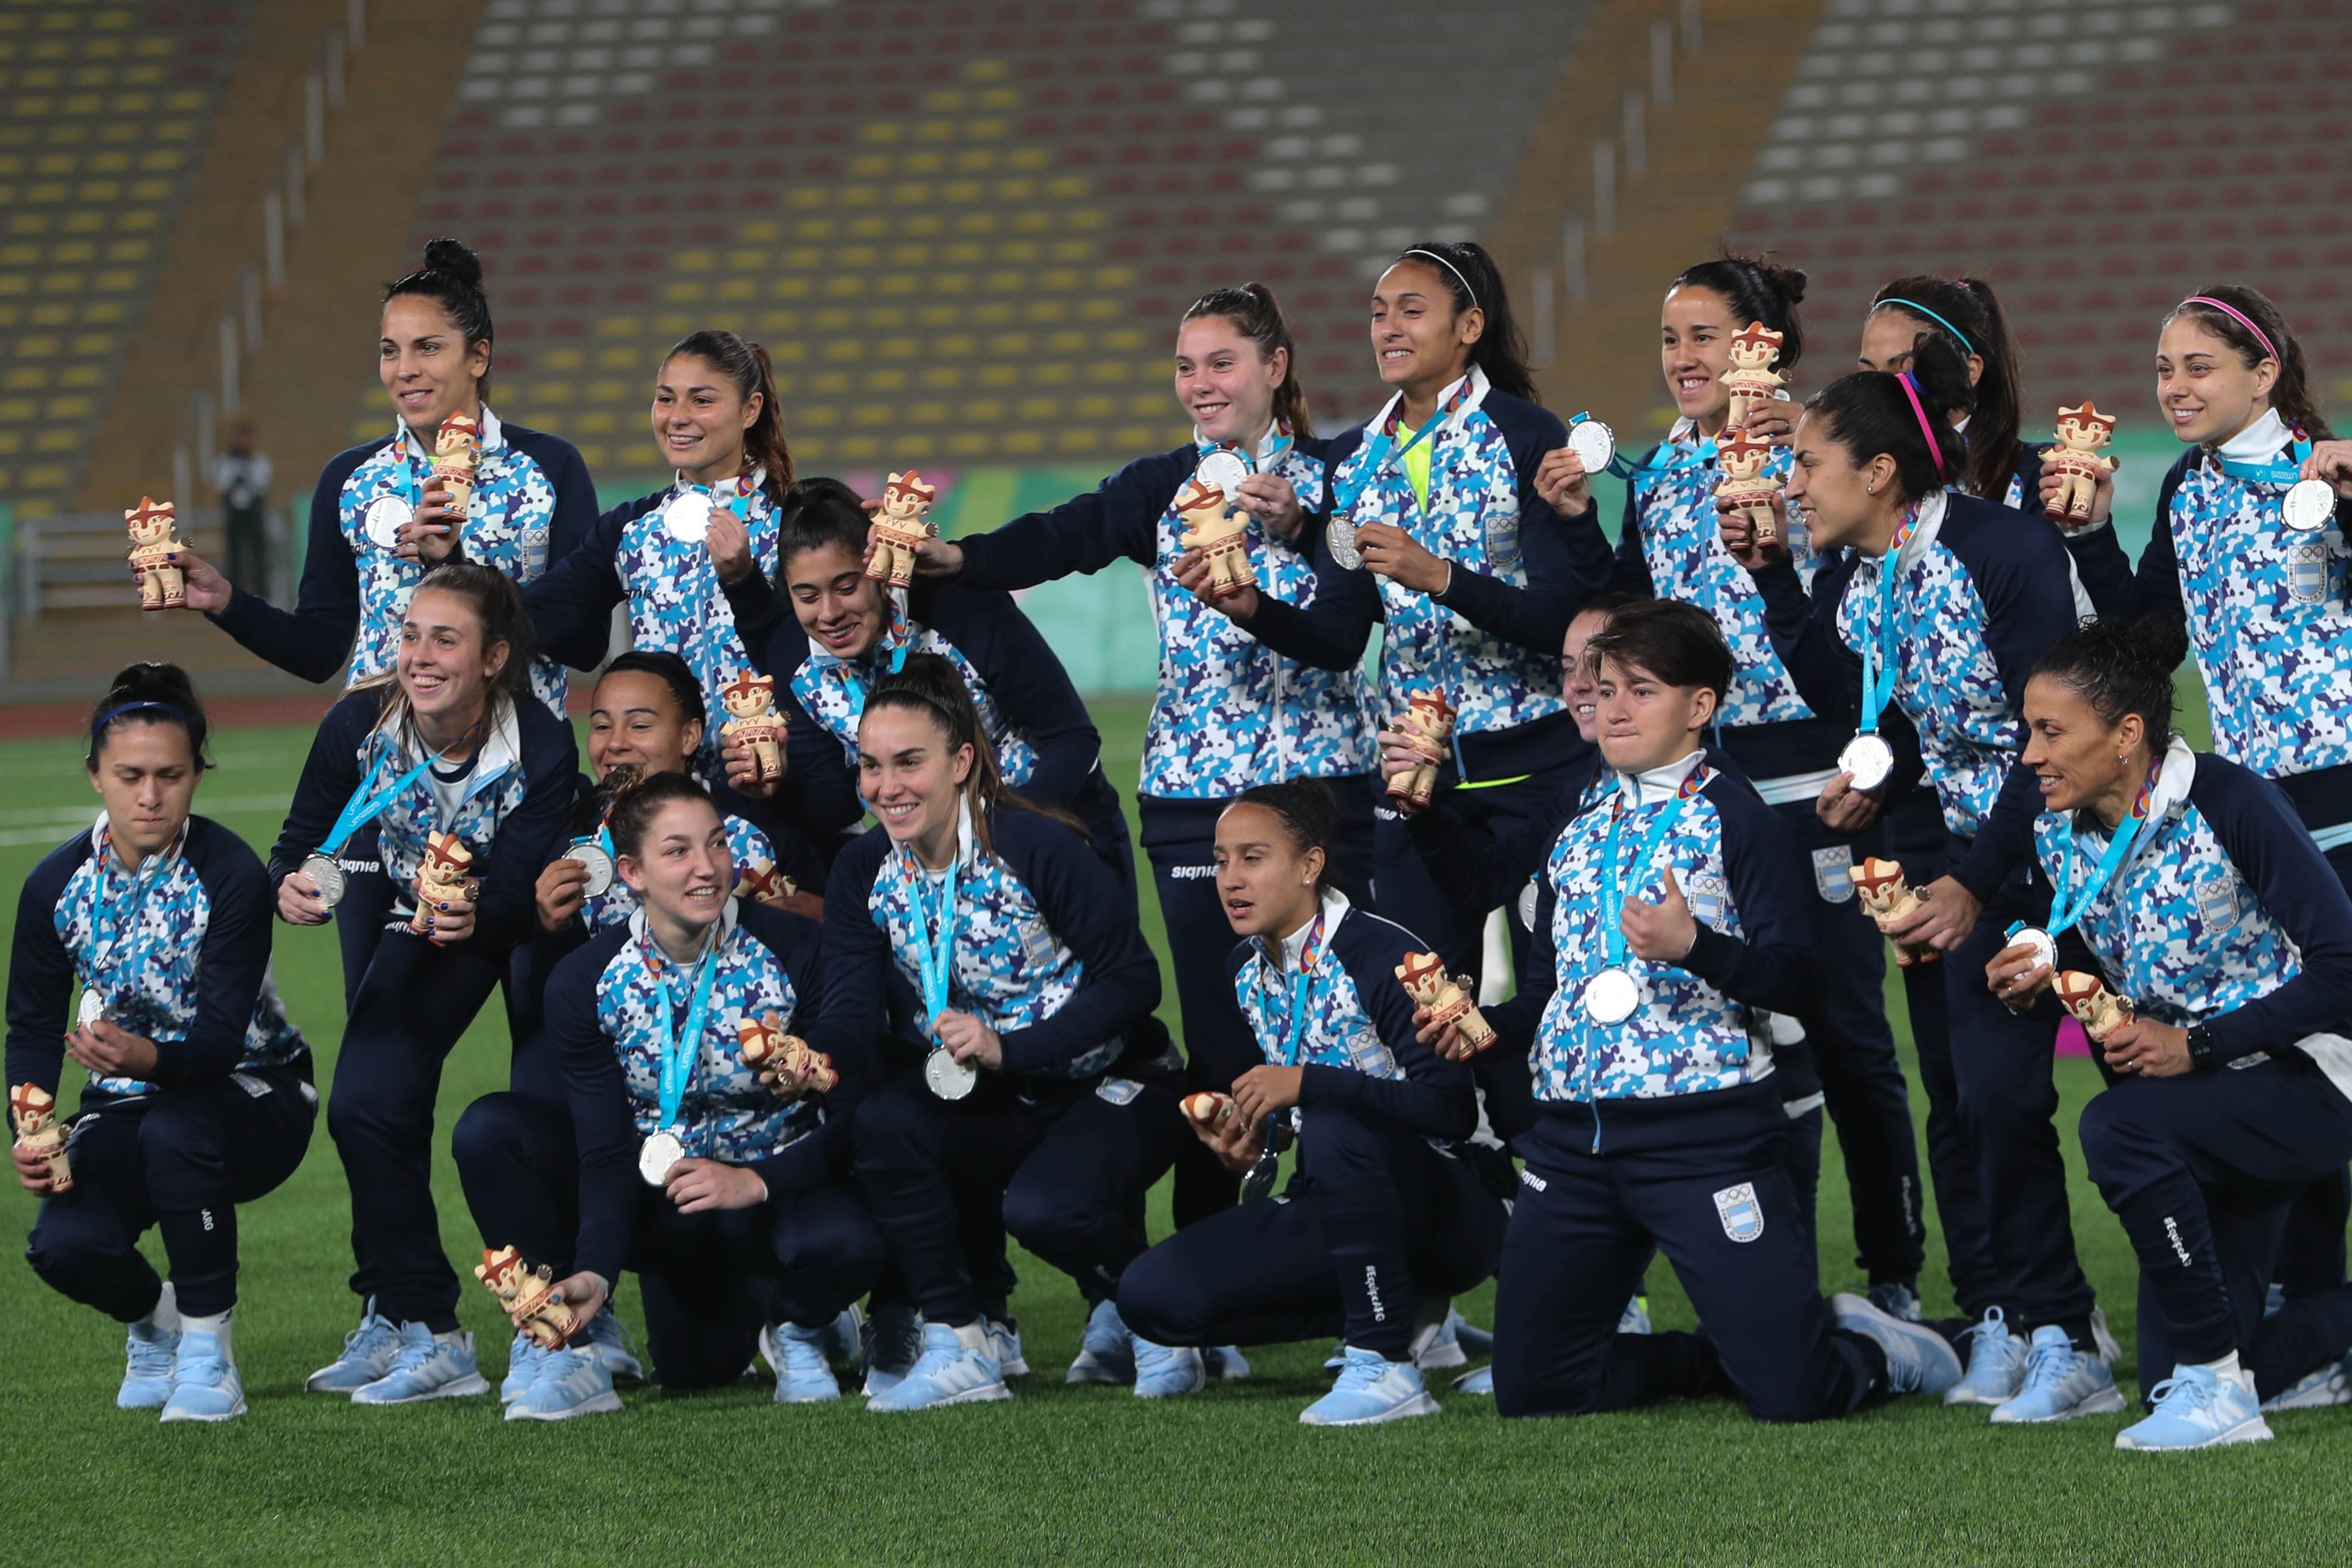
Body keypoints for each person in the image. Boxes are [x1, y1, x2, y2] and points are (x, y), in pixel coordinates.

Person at [892, 284, 1378, 1238]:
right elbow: (1064, 535)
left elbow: (1340, 637)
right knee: (1220, 1045)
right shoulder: (1162, 486)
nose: (1200, 384)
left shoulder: (1344, 480)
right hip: (1194, 801)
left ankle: (1390, 1276)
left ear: (1275, 367)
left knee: (1348, 1034)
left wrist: (1272, 585)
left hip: (1325, 796)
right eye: (1186, 366)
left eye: (1222, 362)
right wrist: (961, 559)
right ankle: (1210, 1271)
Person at [1451, 600, 1958, 1420]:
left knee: (1795, 1398)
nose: (1612, 706)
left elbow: (1801, 982)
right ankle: (1715, 1358)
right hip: (1575, 1142)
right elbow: (1549, 998)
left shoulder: (1738, 816)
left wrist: (1697, 950)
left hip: (1705, 1139)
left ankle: (1874, 1349)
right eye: (1604, 687)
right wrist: (1475, 1034)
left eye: (1641, 691)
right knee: (1535, 1389)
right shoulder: (1575, 818)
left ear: (1700, 707)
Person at [1733, 339, 2114, 1420]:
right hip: (1960, 852)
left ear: (1882, 471)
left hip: (2075, 848)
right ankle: (2020, 1316)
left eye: (1808, 463)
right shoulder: (1856, 568)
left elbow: (2049, 742)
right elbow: (1862, 706)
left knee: (2071, 1091)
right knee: (1967, 1096)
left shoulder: (2008, 551)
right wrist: (1773, 578)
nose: (1791, 482)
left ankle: (2155, 1322)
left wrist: (1973, 885)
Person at [1593, 253, 1928, 1320]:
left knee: (1844, 1035)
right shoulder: (1654, 475)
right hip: (1710, 789)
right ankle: (1770, 1272)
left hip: (1823, 782)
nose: (1682, 359)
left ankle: (1894, 1274)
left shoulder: (1815, 449)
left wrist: (1870, 759)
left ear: (1759, 346)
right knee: (1741, 1033)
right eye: (1669, 339)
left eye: (1704, 337)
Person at [2048, 285, 2352, 1328]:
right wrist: (2088, 537)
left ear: (2265, 374)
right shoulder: (2186, 483)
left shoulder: (2333, 473)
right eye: (2165, 369)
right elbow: (2147, 646)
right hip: (2264, 825)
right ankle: (2310, 1306)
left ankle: (2311, 1310)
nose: (2175, 387)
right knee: (2299, 1064)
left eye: (2200, 367)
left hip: (2350, 812)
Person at [1984, 616, 2352, 1449]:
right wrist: (2044, 975)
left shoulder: (2233, 801)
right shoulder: (2059, 826)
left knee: (2116, 1127)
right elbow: (2093, 950)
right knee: (2160, 1380)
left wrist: (2199, 1048)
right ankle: (2240, 1364)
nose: (2029, 756)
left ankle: (2219, 1393)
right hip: (2204, 1101)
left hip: (2314, 1075)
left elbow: (2344, 967)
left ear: (2126, 736)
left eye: (2050, 732)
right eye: (2027, 731)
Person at [453, 771, 882, 1417]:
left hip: (777, 1195)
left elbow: (854, 1115)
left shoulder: (798, 950)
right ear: (631, 872)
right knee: (491, 1131)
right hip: (666, 1203)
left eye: (715, 845)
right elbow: (602, 1149)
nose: (706, 869)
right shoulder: (584, 980)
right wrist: (596, 1270)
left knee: (858, 1230)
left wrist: (756, 1181)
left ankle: (800, 1317)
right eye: (677, 851)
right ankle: (564, 1345)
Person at [829, 655, 1189, 1409]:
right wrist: (810, 1056)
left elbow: (1133, 980)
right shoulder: (863, 867)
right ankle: (961, 1343)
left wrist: (1010, 1049)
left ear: (961, 762)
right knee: (885, 1122)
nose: (885, 787)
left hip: (1116, 1079)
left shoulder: (1036, 844)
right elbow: (854, 1013)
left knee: (1047, 1209)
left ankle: (1164, 1322)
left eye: (908, 763)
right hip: (997, 1094)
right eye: (869, 766)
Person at [270, 563, 577, 1403]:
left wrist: (476, 911)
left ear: (493, 657)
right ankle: (415, 1320)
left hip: (492, 919)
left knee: (413, 1098)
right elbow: (301, 841)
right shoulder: (358, 725)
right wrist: (290, 885)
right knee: (370, 1104)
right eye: (411, 634)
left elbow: (518, 886)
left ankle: (485, 1324)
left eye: (446, 639)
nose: (420, 654)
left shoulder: (543, 744)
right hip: (404, 905)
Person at [1117, 781, 1508, 1425]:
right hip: (1339, 1193)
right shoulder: (1244, 967)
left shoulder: (1407, 956)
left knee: (1336, 1121)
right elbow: (1301, 1103)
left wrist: (1309, 1085)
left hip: (1458, 1206)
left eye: (1252, 857)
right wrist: (1259, 1138)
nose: (1229, 879)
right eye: (1220, 860)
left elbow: (1455, 1112)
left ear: (1310, 865)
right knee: (1152, 1299)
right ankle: (1398, 1310)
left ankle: (1384, 1362)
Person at [7, 665, 314, 1424]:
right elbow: (34, 1026)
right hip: (129, 1098)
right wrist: (32, 1127)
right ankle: (159, 1324)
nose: (150, 796)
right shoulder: (54, 885)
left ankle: (210, 1354)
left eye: (170, 775)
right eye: (130, 775)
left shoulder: (232, 875)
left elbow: (214, 1045)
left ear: (197, 775)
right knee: (63, 1247)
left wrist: (144, 1060)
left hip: (257, 1092)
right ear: (95, 777)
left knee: (179, 1130)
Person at [176, 239, 598, 716]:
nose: (405, 371)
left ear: (478, 357)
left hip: (522, 766)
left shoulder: (551, 467)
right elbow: (319, 650)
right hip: (386, 770)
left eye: (428, 348)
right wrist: (225, 601)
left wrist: (455, 568)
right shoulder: (350, 479)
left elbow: (585, 645)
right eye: (390, 351)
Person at [1347, 241, 1613, 992]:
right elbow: (1340, 631)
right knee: (1422, 1013)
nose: (1388, 328)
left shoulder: (1526, 435)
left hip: (1535, 770)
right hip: (1414, 776)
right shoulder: (1355, 459)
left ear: (1468, 327)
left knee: (1554, 1001)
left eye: (1410, 310)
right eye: (1377, 313)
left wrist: (1438, 578)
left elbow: (1563, 618)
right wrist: (1253, 603)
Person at [719, 476, 1132, 893]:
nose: (829, 613)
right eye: (807, 596)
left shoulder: (961, 607)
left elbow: (1072, 739)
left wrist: (1007, 839)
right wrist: (778, 784)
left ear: (878, 566)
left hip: (1054, 847)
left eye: (847, 587)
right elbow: (836, 804)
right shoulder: (796, 658)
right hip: (933, 883)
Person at [511, 650, 823, 1112]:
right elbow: (548, 1000)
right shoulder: (568, 837)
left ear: (690, 735)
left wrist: (811, 917)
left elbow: (820, 964)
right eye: (601, 726)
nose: (615, 744)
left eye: (639, 726)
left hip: (739, 1078)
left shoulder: (760, 836)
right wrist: (549, 931)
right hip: (609, 1069)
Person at [523, 330, 794, 769]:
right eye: (666, 399)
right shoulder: (630, 528)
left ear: (750, 410)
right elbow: (539, 613)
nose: (677, 418)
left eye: (702, 401)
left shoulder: (797, 517)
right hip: (665, 796)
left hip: (777, 783)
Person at [1857, 277, 2040, 509]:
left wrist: (2089, 529)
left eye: (1904, 369)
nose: (1880, 391)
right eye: (1868, 374)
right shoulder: (1852, 471)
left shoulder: (2042, 477)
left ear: (1970, 371)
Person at [211, 422, 272, 598]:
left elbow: (263, 485)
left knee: (259, 555)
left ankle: (262, 594)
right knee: (234, 556)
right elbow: (222, 485)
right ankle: (233, 594)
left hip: (254, 515)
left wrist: (248, 474)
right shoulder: (225, 461)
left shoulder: (259, 461)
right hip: (234, 515)